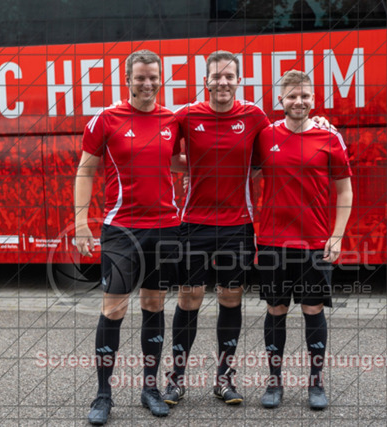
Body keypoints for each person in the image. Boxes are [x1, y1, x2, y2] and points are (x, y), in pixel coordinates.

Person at [74, 49, 182, 424]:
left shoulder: (172, 120)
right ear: (127, 80)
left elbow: (178, 160)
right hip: (121, 229)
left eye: (153, 77)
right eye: (140, 77)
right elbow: (85, 170)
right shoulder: (106, 119)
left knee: (154, 305)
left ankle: (150, 389)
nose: (147, 83)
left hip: (165, 228)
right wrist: (80, 222)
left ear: (160, 79)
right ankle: (103, 396)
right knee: (113, 309)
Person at [162, 50, 270, 407]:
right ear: (205, 81)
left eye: (229, 76)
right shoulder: (187, 115)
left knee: (230, 297)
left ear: (238, 80)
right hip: (194, 223)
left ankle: (224, 379)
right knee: (189, 297)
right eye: (216, 76)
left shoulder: (254, 116)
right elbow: (164, 154)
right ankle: (176, 379)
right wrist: (193, 166)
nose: (223, 82)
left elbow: (270, 155)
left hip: (238, 225)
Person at [255, 70, 353, 410]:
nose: (299, 101)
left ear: (314, 99)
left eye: (305, 96)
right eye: (293, 96)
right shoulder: (265, 136)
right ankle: (274, 382)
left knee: (313, 310)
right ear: (280, 100)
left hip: (313, 242)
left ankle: (316, 383)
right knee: (276, 310)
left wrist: (337, 236)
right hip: (273, 241)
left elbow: (345, 190)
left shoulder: (329, 137)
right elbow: (240, 171)